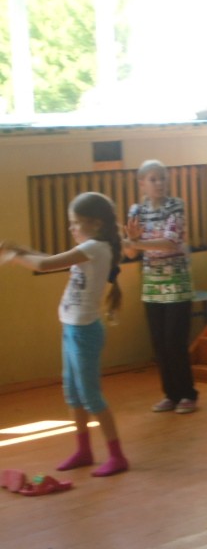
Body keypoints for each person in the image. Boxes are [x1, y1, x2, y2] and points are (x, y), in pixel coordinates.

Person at [0, 192, 129, 477]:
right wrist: (20, 249)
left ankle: (117, 456)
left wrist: (13, 257)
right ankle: (83, 450)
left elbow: (44, 266)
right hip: (71, 328)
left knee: (91, 396)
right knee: (72, 393)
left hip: (84, 333)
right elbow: (51, 259)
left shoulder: (96, 248)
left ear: (96, 224)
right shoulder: (89, 248)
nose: (71, 228)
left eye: (75, 222)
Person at [123, 159, 198, 414]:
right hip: (152, 286)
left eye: (162, 178)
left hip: (177, 284)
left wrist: (135, 242)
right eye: (153, 179)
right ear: (142, 183)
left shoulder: (175, 205)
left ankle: (188, 394)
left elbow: (170, 242)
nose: (159, 183)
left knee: (175, 341)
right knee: (159, 344)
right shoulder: (136, 211)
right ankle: (171, 395)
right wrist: (131, 242)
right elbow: (130, 253)